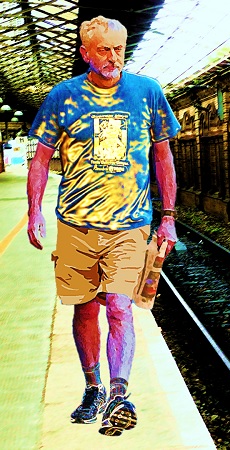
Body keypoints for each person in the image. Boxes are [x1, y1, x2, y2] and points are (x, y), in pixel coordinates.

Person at [26, 16, 180, 436]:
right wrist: (34, 211)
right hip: (76, 224)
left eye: (119, 49)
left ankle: (119, 393)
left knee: (119, 306)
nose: (113, 57)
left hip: (130, 224)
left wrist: (168, 217)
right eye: (104, 50)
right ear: (85, 53)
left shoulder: (148, 92)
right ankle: (93, 386)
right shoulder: (63, 96)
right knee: (85, 308)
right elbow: (40, 159)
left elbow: (163, 156)